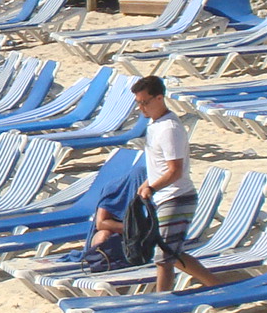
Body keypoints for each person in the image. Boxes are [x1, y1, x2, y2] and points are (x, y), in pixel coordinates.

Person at [94, 75, 222, 292]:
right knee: (171, 251)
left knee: (163, 258)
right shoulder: (155, 125)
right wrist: (146, 184)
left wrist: (152, 187)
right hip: (163, 196)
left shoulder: (169, 128)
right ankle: (217, 286)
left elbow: (175, 170)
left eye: (145, 102)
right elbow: (159, 166)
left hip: (177, 197)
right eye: (139, 104)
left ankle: (162, 301)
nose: (142, 108)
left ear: (159, 98)